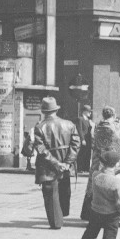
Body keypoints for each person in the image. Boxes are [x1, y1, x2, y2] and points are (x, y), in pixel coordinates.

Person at [69, 149, 120, 239]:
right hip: (111, 214)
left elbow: (106, 173)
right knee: (108, 237)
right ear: (115, 164)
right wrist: (119, 211)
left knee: (90, 231)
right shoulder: (116, 182)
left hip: (96, 211)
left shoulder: (95, 175)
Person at [33, 97, 80, 229]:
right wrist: (67, 163)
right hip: (65, 166)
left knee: (50, 194)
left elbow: (41, 150)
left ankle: (56, 223)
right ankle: (61, 216)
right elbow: (76, 145)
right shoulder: (69, 124)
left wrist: (56, 163)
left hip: (48, 167)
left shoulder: (39, 127)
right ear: (55, 110)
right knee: (63, 192)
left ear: (44, 111)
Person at [75, 105, 94, 173]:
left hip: (88, 139)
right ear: (85, 112)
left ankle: (86, 168)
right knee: (82, 154)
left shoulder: (88, 120)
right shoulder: (80, 119)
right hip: (83, 139)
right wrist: (82, 139)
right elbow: (80, 129)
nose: (90, 113)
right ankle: (80, 168)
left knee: (88, 154)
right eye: (89, 112)